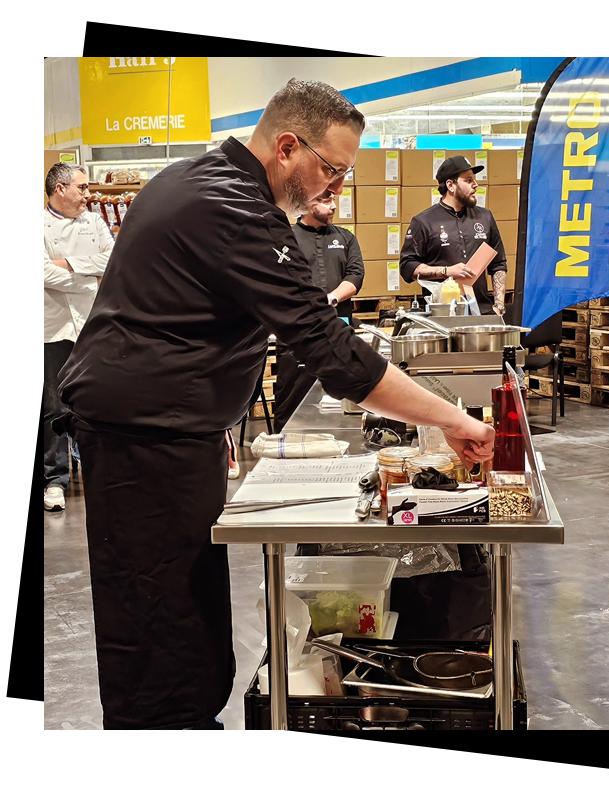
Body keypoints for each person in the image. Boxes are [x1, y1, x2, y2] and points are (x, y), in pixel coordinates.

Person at [56, 78, 495, 731]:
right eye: (333, 168)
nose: (336, 187)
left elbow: (175, 317)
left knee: (188, 614)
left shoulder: (198, 179)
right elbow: (326, 346)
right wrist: (455, 420)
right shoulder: (231, 206)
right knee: (158, 633)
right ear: (288, 146)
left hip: (171, 427)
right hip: (141, 437)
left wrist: (214, 417)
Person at [42, 163, 114, 511]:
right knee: (53, 406)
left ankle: (97, 469)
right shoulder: (41, 225)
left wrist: (68, 265)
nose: (88, 195)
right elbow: (42, 272)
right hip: (52, 328)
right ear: (60, 189)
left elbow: (112, 257)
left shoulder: (95, 221)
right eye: (82, 188)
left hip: (90, 325)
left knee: (96, 401)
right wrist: (89, 277)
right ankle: (55, 479)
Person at [273, 191, 365, 432]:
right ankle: (284, 453)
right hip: (296, 334)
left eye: (333, 200)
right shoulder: (286, 239)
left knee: (343, 399)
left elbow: (355, 276)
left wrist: (331, 298)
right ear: (306, 204)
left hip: (340, 331)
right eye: (325, 201)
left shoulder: (346, 238)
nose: (333, 206)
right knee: (292, 399)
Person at [399, 154, 509, 316]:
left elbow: (498, 264)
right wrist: (446, 271)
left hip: (483, 313)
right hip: (442, 315)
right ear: (451, 185)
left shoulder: (485, 217)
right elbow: (407, 267)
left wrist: (499, 306)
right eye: (468, 180)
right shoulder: (423, 222)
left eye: (474, 180)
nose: (475, 185)